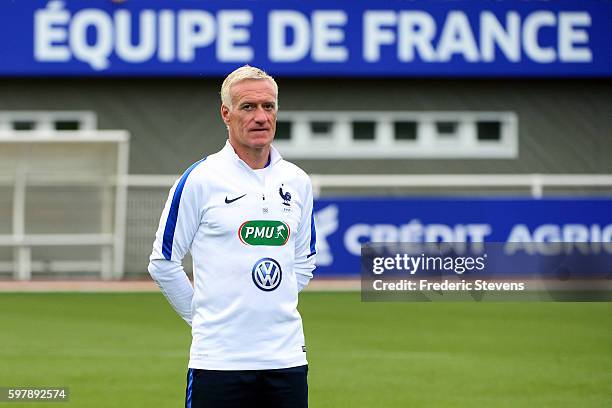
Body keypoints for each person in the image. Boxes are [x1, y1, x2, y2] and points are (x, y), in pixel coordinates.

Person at [148, 65, 316, 408]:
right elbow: (163, 262)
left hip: (286, 360)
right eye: (248, 107)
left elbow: (304, 261)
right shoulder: (201, 179)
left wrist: (269, 305)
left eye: (268, 107)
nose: (260, 117)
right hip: (219, 361)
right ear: (226, 114)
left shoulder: (297, 181)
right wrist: (204, 318)